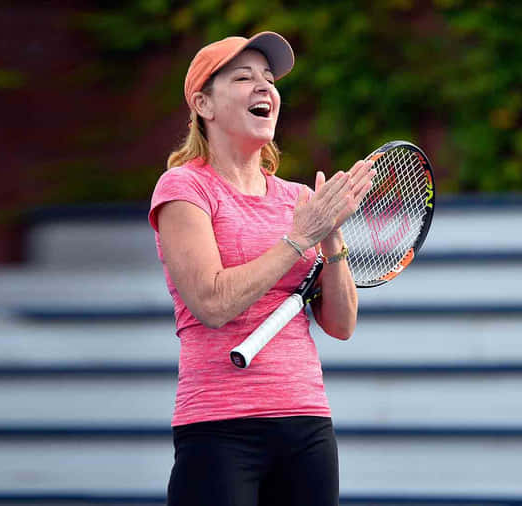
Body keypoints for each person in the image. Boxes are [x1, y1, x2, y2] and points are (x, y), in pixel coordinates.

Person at [147, 32, 375, 506]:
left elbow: (341, 324)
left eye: (269, 79)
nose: (264, 87)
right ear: (203, 105)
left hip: (307, 423)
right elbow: (212, 303)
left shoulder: (300, 200)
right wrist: (298, 240)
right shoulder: (183, 188)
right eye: (243, 78)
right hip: (219, 427)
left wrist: (330, 236)